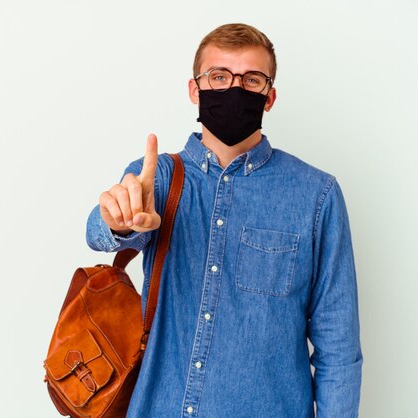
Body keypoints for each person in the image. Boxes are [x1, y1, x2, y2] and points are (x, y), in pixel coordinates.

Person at [85, 23, 362, 417]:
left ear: (270, 97)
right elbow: (99, 231)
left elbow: (338, 346)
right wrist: (118, 222)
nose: (235, 89)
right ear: (194, 90)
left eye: (251, 79)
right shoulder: (157, 179)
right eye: (219, 76)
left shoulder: (316, 196)